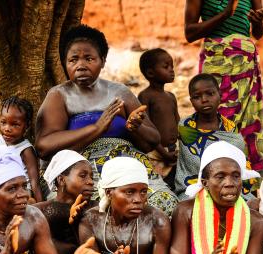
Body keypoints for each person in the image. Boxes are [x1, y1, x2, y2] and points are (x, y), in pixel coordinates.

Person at [35, 25, 177, 216]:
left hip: (128, 166)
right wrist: (96, 128)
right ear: (64, 63)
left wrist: (136, 128)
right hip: (84, 173)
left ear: (103, 61)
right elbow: (44, 146)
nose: (81, 65)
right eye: (73, 60)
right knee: (81, 212)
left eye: (89, 58)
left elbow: (152, 140)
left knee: (163, 204)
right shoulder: (59, 95)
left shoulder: (119, 92)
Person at [185, 0, 263, 171]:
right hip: (217, 62)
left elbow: (258, 33)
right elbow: (189, 33)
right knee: (216, 117)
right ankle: (214, 172)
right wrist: (224, 15)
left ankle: (246, 179)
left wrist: (258, 22)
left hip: (245, 65)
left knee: (248, 122)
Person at [175, 74, 257, 200]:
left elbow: (241, 165)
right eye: (197, 97)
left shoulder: (230, 128)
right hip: (194, 190)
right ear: (191, 101)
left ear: (220, 95)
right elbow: (190, 165)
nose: (204, 100)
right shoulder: (185, 126)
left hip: (230, 188)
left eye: (210, 94)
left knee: (252, 208)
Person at [35, 149, 96, 254]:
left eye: (91, 176)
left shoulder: (95, 207)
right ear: (61, 179)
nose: (90, 181)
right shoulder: (41, 210)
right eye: (83, 176)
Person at [138, 48, 180, 188]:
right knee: (158, 184)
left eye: (172, 66)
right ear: (150, 72)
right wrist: (163, 152)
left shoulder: (171, 96)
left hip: (173, 150)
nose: (171, 70)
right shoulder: (146, 96)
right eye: (166, 66)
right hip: (156, 152)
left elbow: (178, 123)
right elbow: (146, 128)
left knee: (175, 183)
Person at [0, 96, 43, 202]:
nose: (7, 129)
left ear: (27, 126)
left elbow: (34, 182)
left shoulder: (26, 150)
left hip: (20, 190)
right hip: (2, 184)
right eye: (3, 122)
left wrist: (41, 208)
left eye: (15, 125)